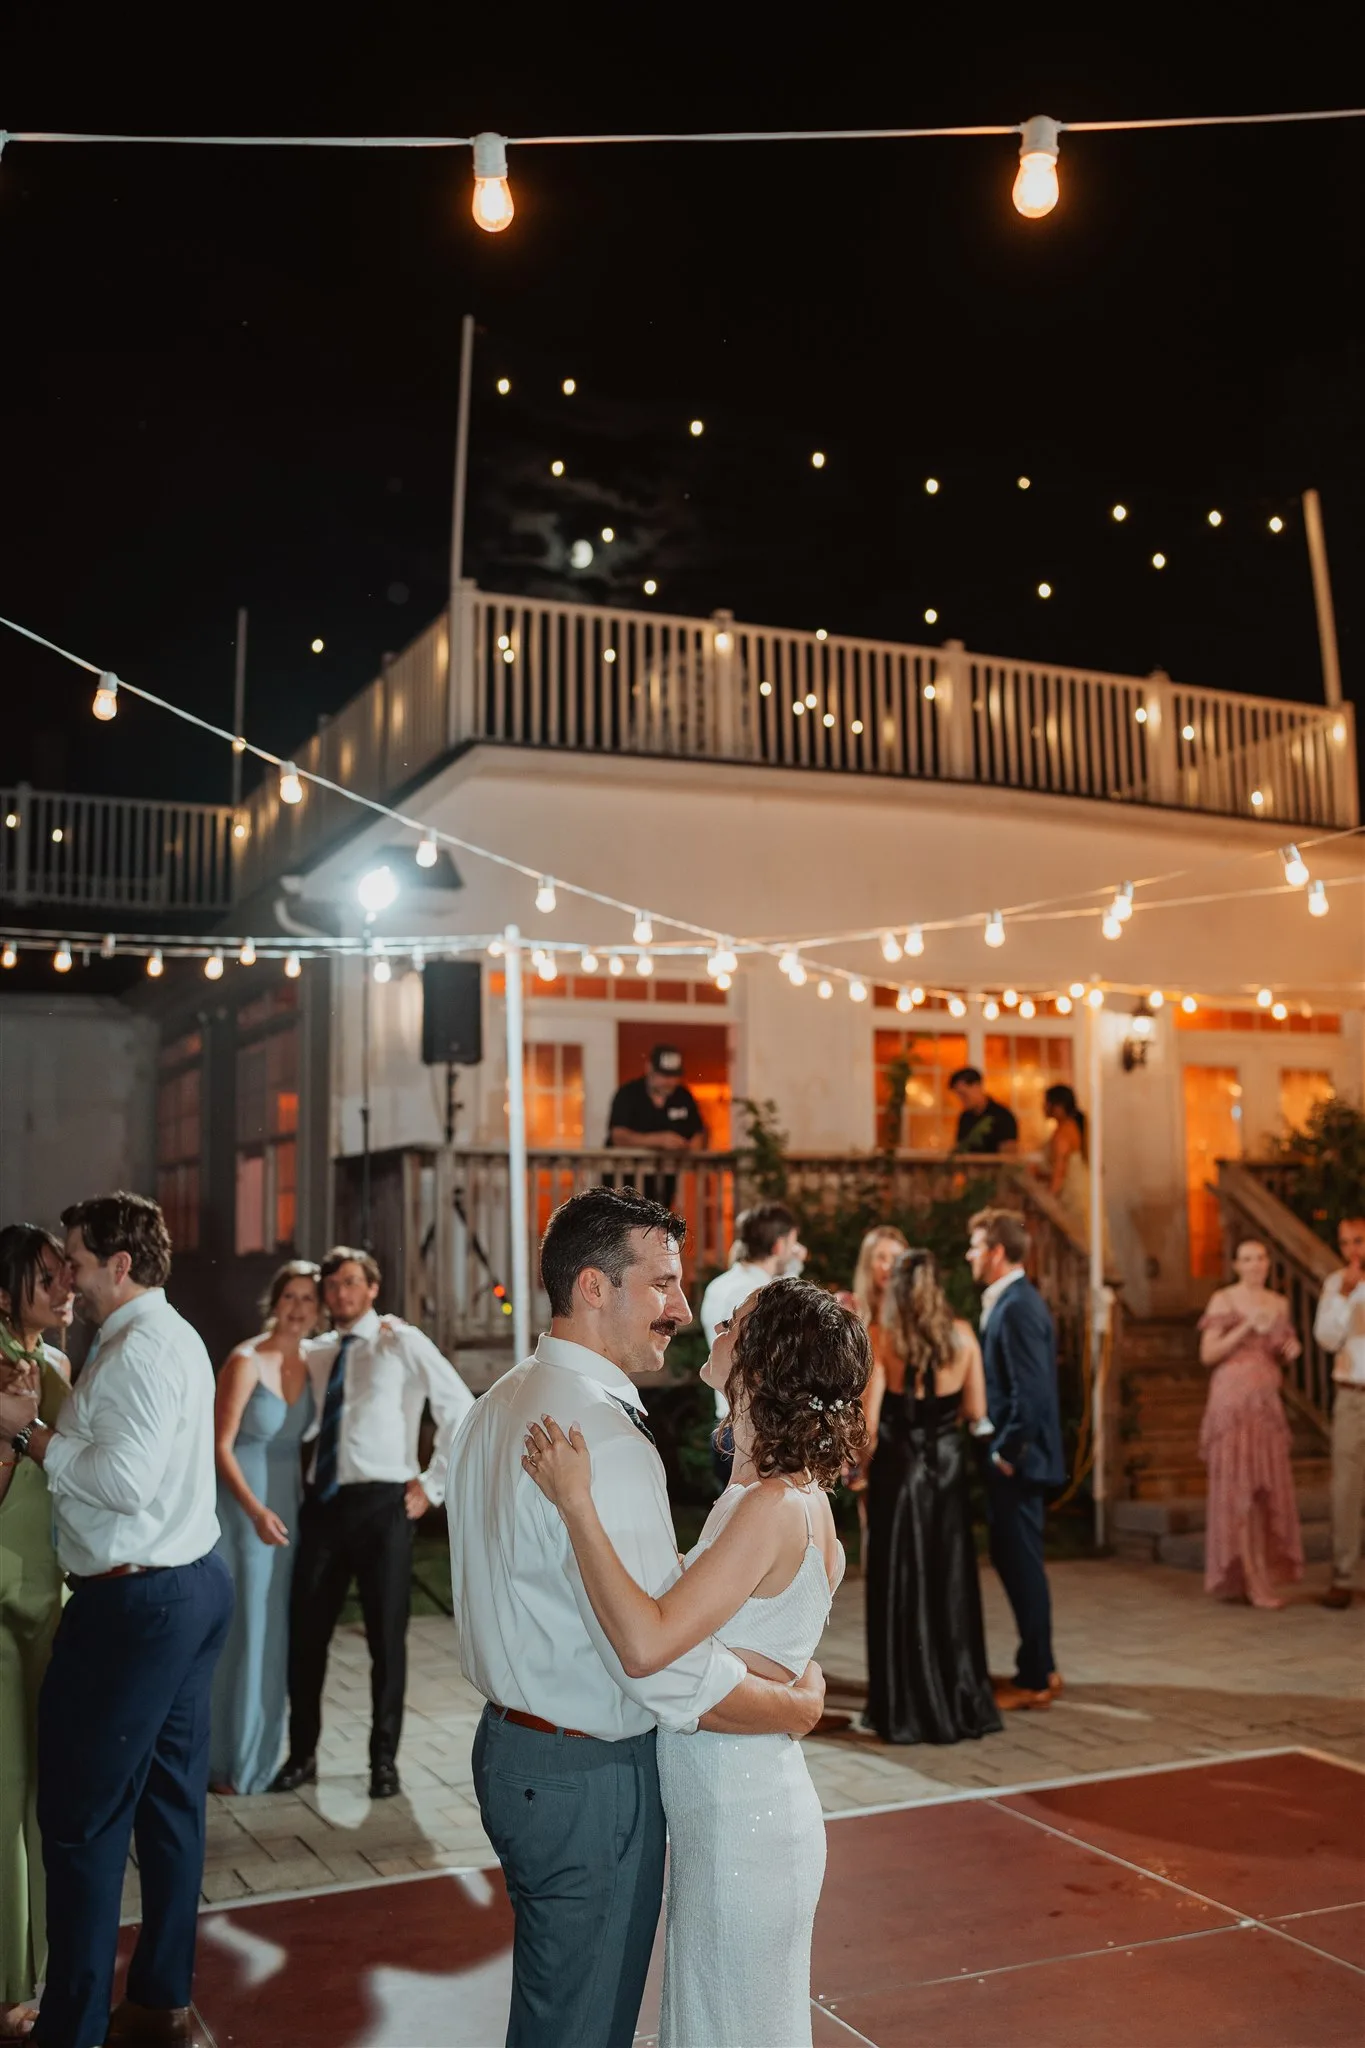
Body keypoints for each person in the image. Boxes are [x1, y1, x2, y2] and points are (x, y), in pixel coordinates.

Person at [446, 1186, 829, 2048]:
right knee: (581, 2024)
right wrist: (793, 1709)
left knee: (556, 2007)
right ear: (592, 1286)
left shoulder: (499, 1400)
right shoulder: (605, 1442)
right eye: (661, 1285)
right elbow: (660, 1661)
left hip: (510, 1750)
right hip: (586, 1776)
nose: (682, 1311)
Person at [524, 1276, 867, 2048]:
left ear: (759, 1361)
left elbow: (647, 1644)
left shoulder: (768, 1508)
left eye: (735, 1320)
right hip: (735, 1815)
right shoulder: (781, 1500)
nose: (714, 1324)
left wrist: (576, 1504)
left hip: (742, 1828)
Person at [0, 1192, 232, 2048]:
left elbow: (125, 1482)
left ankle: (71, 2028)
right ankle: (161, 2000)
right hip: (190, 1584)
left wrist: (28, 1437)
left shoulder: (135, 1351)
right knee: (170, 1808)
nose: (67, 1274)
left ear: (120, 1265)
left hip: (136, 1605)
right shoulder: (170, 1336)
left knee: (81, 1821)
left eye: (75, 1259)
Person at [272, 1247, 474, 1801]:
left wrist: (431, 1486)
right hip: (323, 1506)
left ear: (372, 1287)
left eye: (351, 1283)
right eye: (332, 1285)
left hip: (384, 1505)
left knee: (387, 1640)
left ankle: (383, 1762)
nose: (340, 1294)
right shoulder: (315, 1353)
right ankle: (302, 1754)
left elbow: (458, 1406)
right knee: (306, 1636)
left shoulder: (399, 1340)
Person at [861, 1249, 1001, 1745]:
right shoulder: (963, 1337)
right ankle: (960, 1697)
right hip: (947, 1473)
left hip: (900, 1474)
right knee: (950, 1581)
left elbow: (870, 1425)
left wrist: (855, 1465)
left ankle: (903, 1705)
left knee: (901, 1580)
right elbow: (977, 1408)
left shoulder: (884, 1338)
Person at [210, 1260, 321, 1795]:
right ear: (274, 1301)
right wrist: (254, 1510)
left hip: (287, 1511)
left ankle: (259, 1757)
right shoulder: (245, 1360)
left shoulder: (312, 1363)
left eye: (308, 1299)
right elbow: (219, 1446)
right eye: (290, 1296)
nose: (298, 1308)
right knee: (244, 1630)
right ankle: (224, 1761)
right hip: (243, 1510)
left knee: (273, 1633)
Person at [0, 1227, 72, 2044]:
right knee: (7, 1791)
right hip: (0, 1592)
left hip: (49, 1591)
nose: (60, 1290)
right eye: (42, 1278)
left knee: (44, 1792)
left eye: (63, 1275)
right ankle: (9, 1980)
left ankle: (39, 1967)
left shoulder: (54, 1362)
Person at [966, 1208, 1065, 1709]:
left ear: (997, 1252)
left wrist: (1007, 1450)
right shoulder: (1010, 1300)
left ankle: (1035, 1678)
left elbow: (1033, 1391)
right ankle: (1041, 1665)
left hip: (1018, 1459)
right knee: (1016, 1559)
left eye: (976, 1245)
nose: (969, 1254)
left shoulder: (1020, 1306)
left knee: (1021, 1563)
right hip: (1013, 1454)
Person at [1198, 1238, 1304, 1608]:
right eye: (1247, 1259)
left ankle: (1259, 1574)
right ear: (1237, 1265)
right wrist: (1245, 1328)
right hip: (1232, 1403)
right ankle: (1251, 1579)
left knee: (1264, 1489)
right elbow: (1208, 1353)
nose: (1255, 1264)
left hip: (1265, 1404)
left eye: (1260, 1258)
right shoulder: (1223, 1300)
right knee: (1238, 1489)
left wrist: (1289, 1348)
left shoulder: (1279, 1303)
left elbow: (1281, 1347)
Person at [699, 1201, 807, 1489]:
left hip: (724, 1419)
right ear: (778, 1245)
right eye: (792, 1243)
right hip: (753, 1429)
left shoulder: (719, 1284)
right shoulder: (758, 1294)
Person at [1316, 1214, 1365, 1610]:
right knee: (1346, 1487)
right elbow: (1328, 1338)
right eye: (1346, 1242)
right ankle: (1343, 1575)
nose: (1353, 1250)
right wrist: (1344, 1297)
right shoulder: (1336, 1283)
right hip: (1352, 1397)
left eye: (1359, 1241)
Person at [605, 1044, 707, 1207]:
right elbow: (618, 1136)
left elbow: (698, 1132)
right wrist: (659, 1140)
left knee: (658, 1227)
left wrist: (691, 1148)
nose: (669, 1081)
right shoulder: (629, 1093)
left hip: (663, 1186)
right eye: (664, 1075)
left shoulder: (683, 1096)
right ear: (649, 1069)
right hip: (624, 1187)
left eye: (674, 1076)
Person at [949, 1068, 1019, 1155]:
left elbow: (1008, 1157)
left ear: (977, 1086)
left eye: (964, 1094)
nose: (961, 1100)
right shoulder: (965, 1117)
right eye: (958, 1095)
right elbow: (960, 1150)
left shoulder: (1003, 1116)